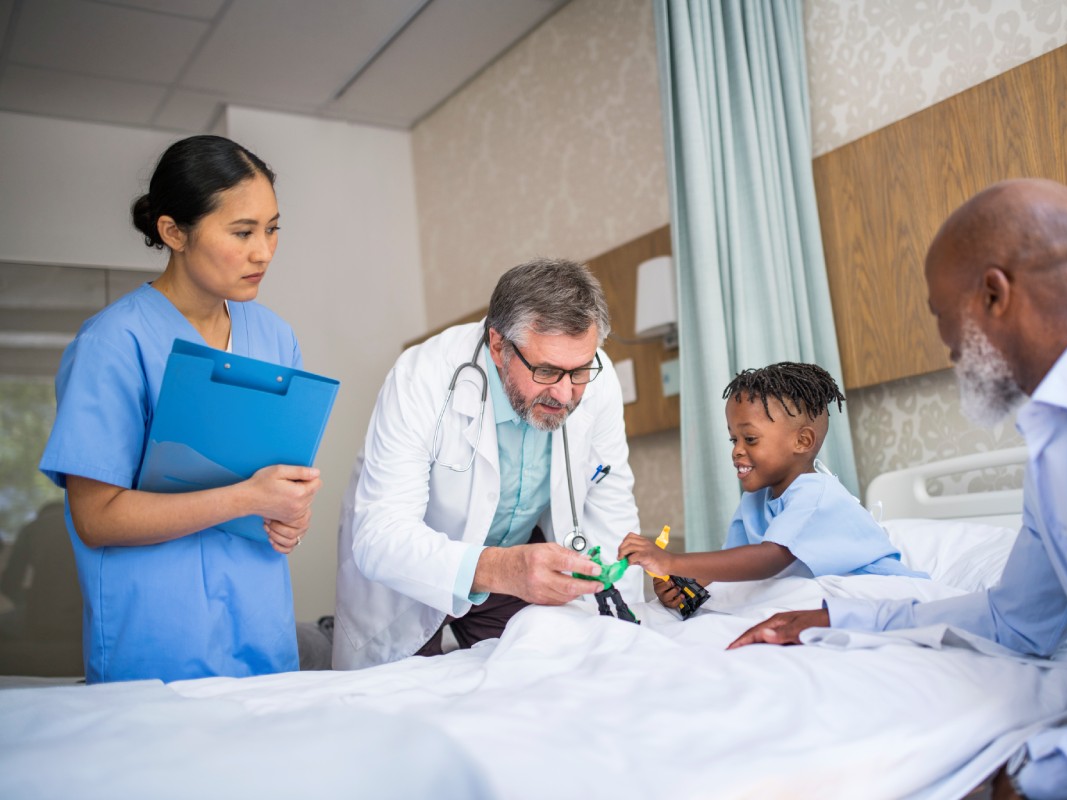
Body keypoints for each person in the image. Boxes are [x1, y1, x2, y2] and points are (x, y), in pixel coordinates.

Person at [728, 179, 1067, 798]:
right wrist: (838, 618)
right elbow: (1017, 623)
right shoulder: (1059, 453)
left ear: (994, 295)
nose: (948, 345)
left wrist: (1035, 778)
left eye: (941, 315)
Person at [39, 135, 321, 683]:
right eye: (242, 232)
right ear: (174, 232)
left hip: (261, 629)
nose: (263, 251)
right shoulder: (114, 342)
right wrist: (246, 496)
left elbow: (279, 480)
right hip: (158, 640)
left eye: (272, 228)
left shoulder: (275, 337)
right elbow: (95, 518)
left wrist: (290, 513)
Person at [333, 258, 641, 669]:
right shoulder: (421, 376)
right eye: (547, 371)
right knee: (399, 711)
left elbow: (612, 513)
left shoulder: (598, 383)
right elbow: (380, 536)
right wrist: (501, 568)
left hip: (512, 562)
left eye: (580, 371)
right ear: (499, 346)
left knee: (533, 684)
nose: (566, 395)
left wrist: (626, 627)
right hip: (411, 574)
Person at [619, 362, 919, 609]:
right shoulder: (754, 501)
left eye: (750, 439)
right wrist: (683, 584)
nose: (736, 450)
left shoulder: (816, 493)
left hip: (881, 591)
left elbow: (769, 559)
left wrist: (671, 560)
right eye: (733, 439)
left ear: (802, 441)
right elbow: (732, 565)